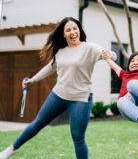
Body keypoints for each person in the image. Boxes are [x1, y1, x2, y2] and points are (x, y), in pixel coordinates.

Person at [0, 17, 116, 159]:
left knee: (78, 138)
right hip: (58, 95)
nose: (73, 32)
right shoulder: (61, 52)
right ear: (64, 34)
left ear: (79, 30)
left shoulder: (89, 48)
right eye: (68, 30)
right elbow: (50, 68)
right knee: (37, 124)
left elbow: (109, 55)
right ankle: (10, 151)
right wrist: (33, 80)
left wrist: (111, 55)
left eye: (75, 28)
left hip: (80, 98)